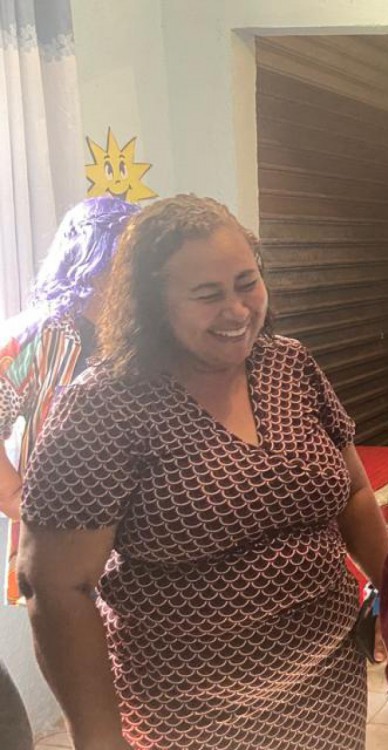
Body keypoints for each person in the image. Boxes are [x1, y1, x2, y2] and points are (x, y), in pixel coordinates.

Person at [17, 195, 388, 749]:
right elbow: (54, 587)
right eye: (207, 294)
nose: (237, 310)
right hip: (188, 716)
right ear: (152, 303)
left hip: (328, 687)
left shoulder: (289, 364)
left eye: (247, 283)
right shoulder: (103, 407)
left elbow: (354, 492)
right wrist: (99, 740)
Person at [0, 197, 138, 750]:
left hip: (144, 540)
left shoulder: (148, 333)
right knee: (89, 689)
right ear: (89, 259)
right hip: (65, 545)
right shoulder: (39, 336)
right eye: (123, 258)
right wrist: (14, 495)